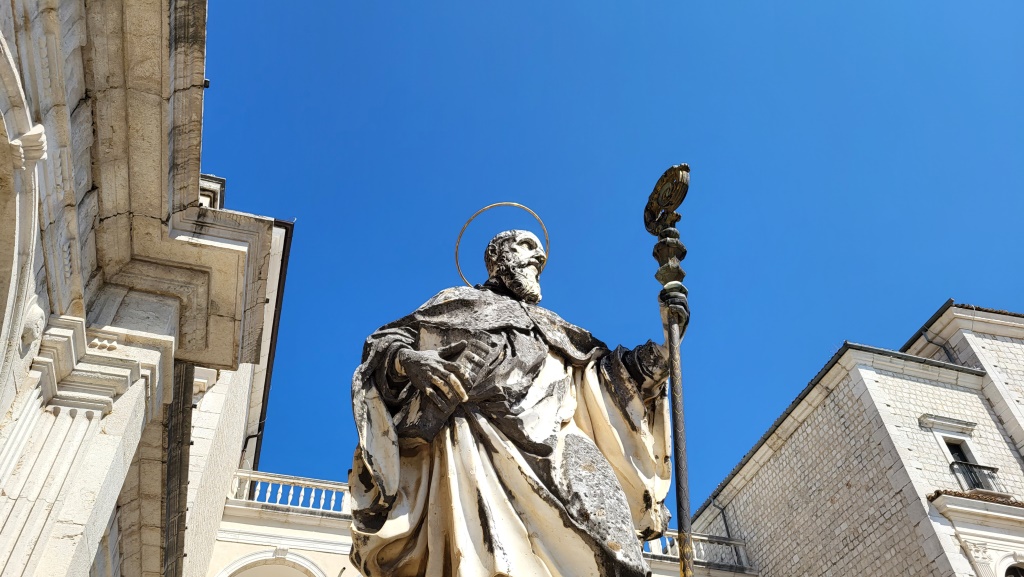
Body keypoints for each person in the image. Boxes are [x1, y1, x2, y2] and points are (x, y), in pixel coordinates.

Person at [349, 229, 689, 577]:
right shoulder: (456, 301)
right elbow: (386, 341)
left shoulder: (554, 325)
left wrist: (666, 344)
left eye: (540, 250)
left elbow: (610, 374)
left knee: (615, 546)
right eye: (527, 246)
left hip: (562, 440)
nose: (539, 257)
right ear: (497, 257)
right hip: (475, 436)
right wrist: (409, 360)